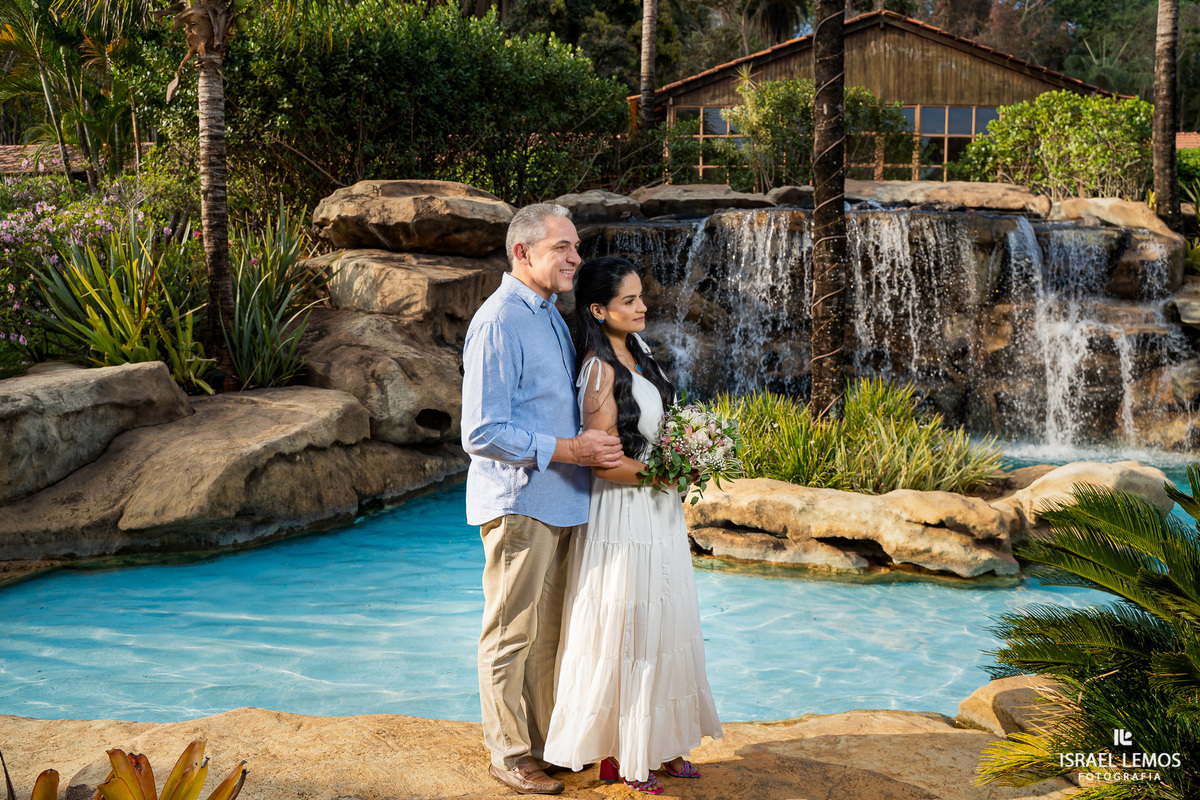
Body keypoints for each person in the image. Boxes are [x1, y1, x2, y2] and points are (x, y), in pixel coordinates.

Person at [542, 256, 723, 795]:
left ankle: (662, 743)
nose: (642, 307)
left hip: (657, 509)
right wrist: (668, 473)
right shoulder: (599, 371)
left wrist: (687, 458)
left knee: (668, 621)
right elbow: (603, 462)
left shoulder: (640, 352)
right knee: (631, 628)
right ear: (598, 310)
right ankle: (620, 754)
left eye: (641, 297)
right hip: (624, 512)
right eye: (629, 301)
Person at [461, 203, 624, 795]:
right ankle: (506, 753)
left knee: (549, 636)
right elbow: (480, 430)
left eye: (576, 248)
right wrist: (570, 450)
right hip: (520, 503)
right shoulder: (500, 320)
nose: (576, 258)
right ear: (522, 252)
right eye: (563, 248)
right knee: (510, 633)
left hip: (560, 501)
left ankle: (542, 745)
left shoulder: (552, 314)